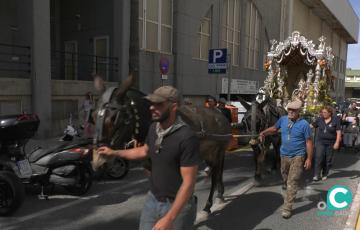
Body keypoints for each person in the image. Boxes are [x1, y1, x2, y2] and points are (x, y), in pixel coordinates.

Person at [98, 86, 200, 230]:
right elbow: (145, 151)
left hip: (177, 206)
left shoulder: (186, 137)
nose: (152, 108)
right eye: (151, 103)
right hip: (152, 200)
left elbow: (188, 184)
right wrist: (114, 152)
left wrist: (169, 218)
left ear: (174, 107)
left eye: (159, 104)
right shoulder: (154, 128)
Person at [259, 100, 313, 219]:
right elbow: (274, 128)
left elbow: (309, 142)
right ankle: (289, 192)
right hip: (284, 155)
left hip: (298, 156)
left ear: (298, 111)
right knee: (285, 178)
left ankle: (287, 208)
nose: (290, 112)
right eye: (289, 109)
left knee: (292, 181)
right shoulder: (283, 119)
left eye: (293, 110)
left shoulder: (304, 124)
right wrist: (264, 132)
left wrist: (309, 158)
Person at [311, 106, 341, 181]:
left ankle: (325, 173)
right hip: (320, 142)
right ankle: (316, 174)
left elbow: (338, 132)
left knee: (328, 160)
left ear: (330, 113)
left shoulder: (335, 120)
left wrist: (337, 142)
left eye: (325, 112)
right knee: (318, 158)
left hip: (331, 143)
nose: (323, 114)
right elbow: (311, 126)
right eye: (322, 112)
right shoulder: (319, 120)